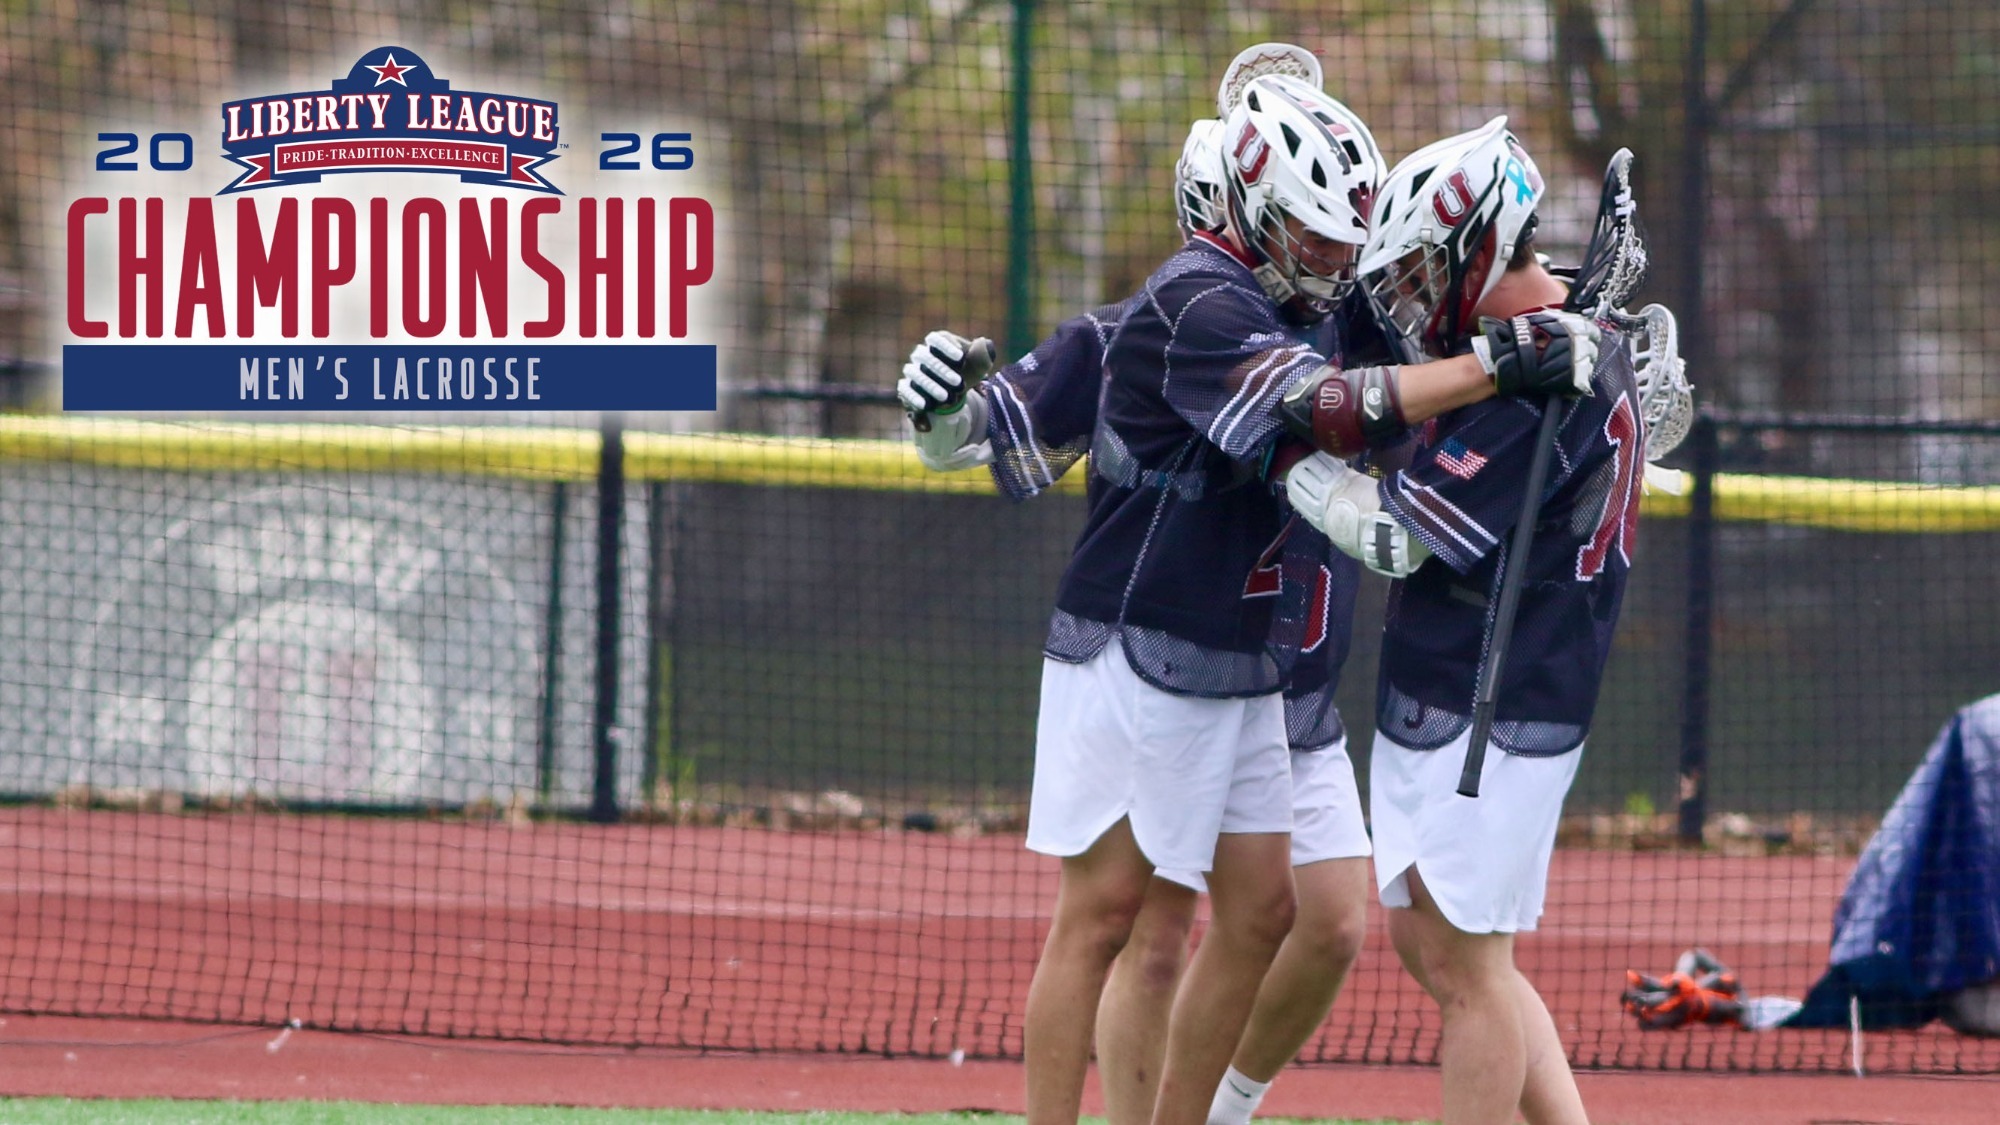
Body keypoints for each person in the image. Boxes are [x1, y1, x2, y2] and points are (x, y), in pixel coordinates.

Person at [900, 82, 1598, 1125]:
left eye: (1340, 240)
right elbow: (1328, 408)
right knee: (1111, 920)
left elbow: (1437, 278)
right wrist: (936, 415)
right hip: (1143, 646)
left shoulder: (1328, 296)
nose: (1335, 263)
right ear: (1244, 207)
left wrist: (1575, 319)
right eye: (1312, 239)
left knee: (1282, 914)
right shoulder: (1195, 297)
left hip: (1256, 669)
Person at [1281, 117, 1646, 1125]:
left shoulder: (1540, 387)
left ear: (1475, 258)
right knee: (1445, 948)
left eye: (1414, 276)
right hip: (1469, 684)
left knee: (1465, 966)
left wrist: (1284, 456)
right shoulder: (1542, 340)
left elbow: (1398, 538)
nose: (1399, 302)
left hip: (1497, 701)